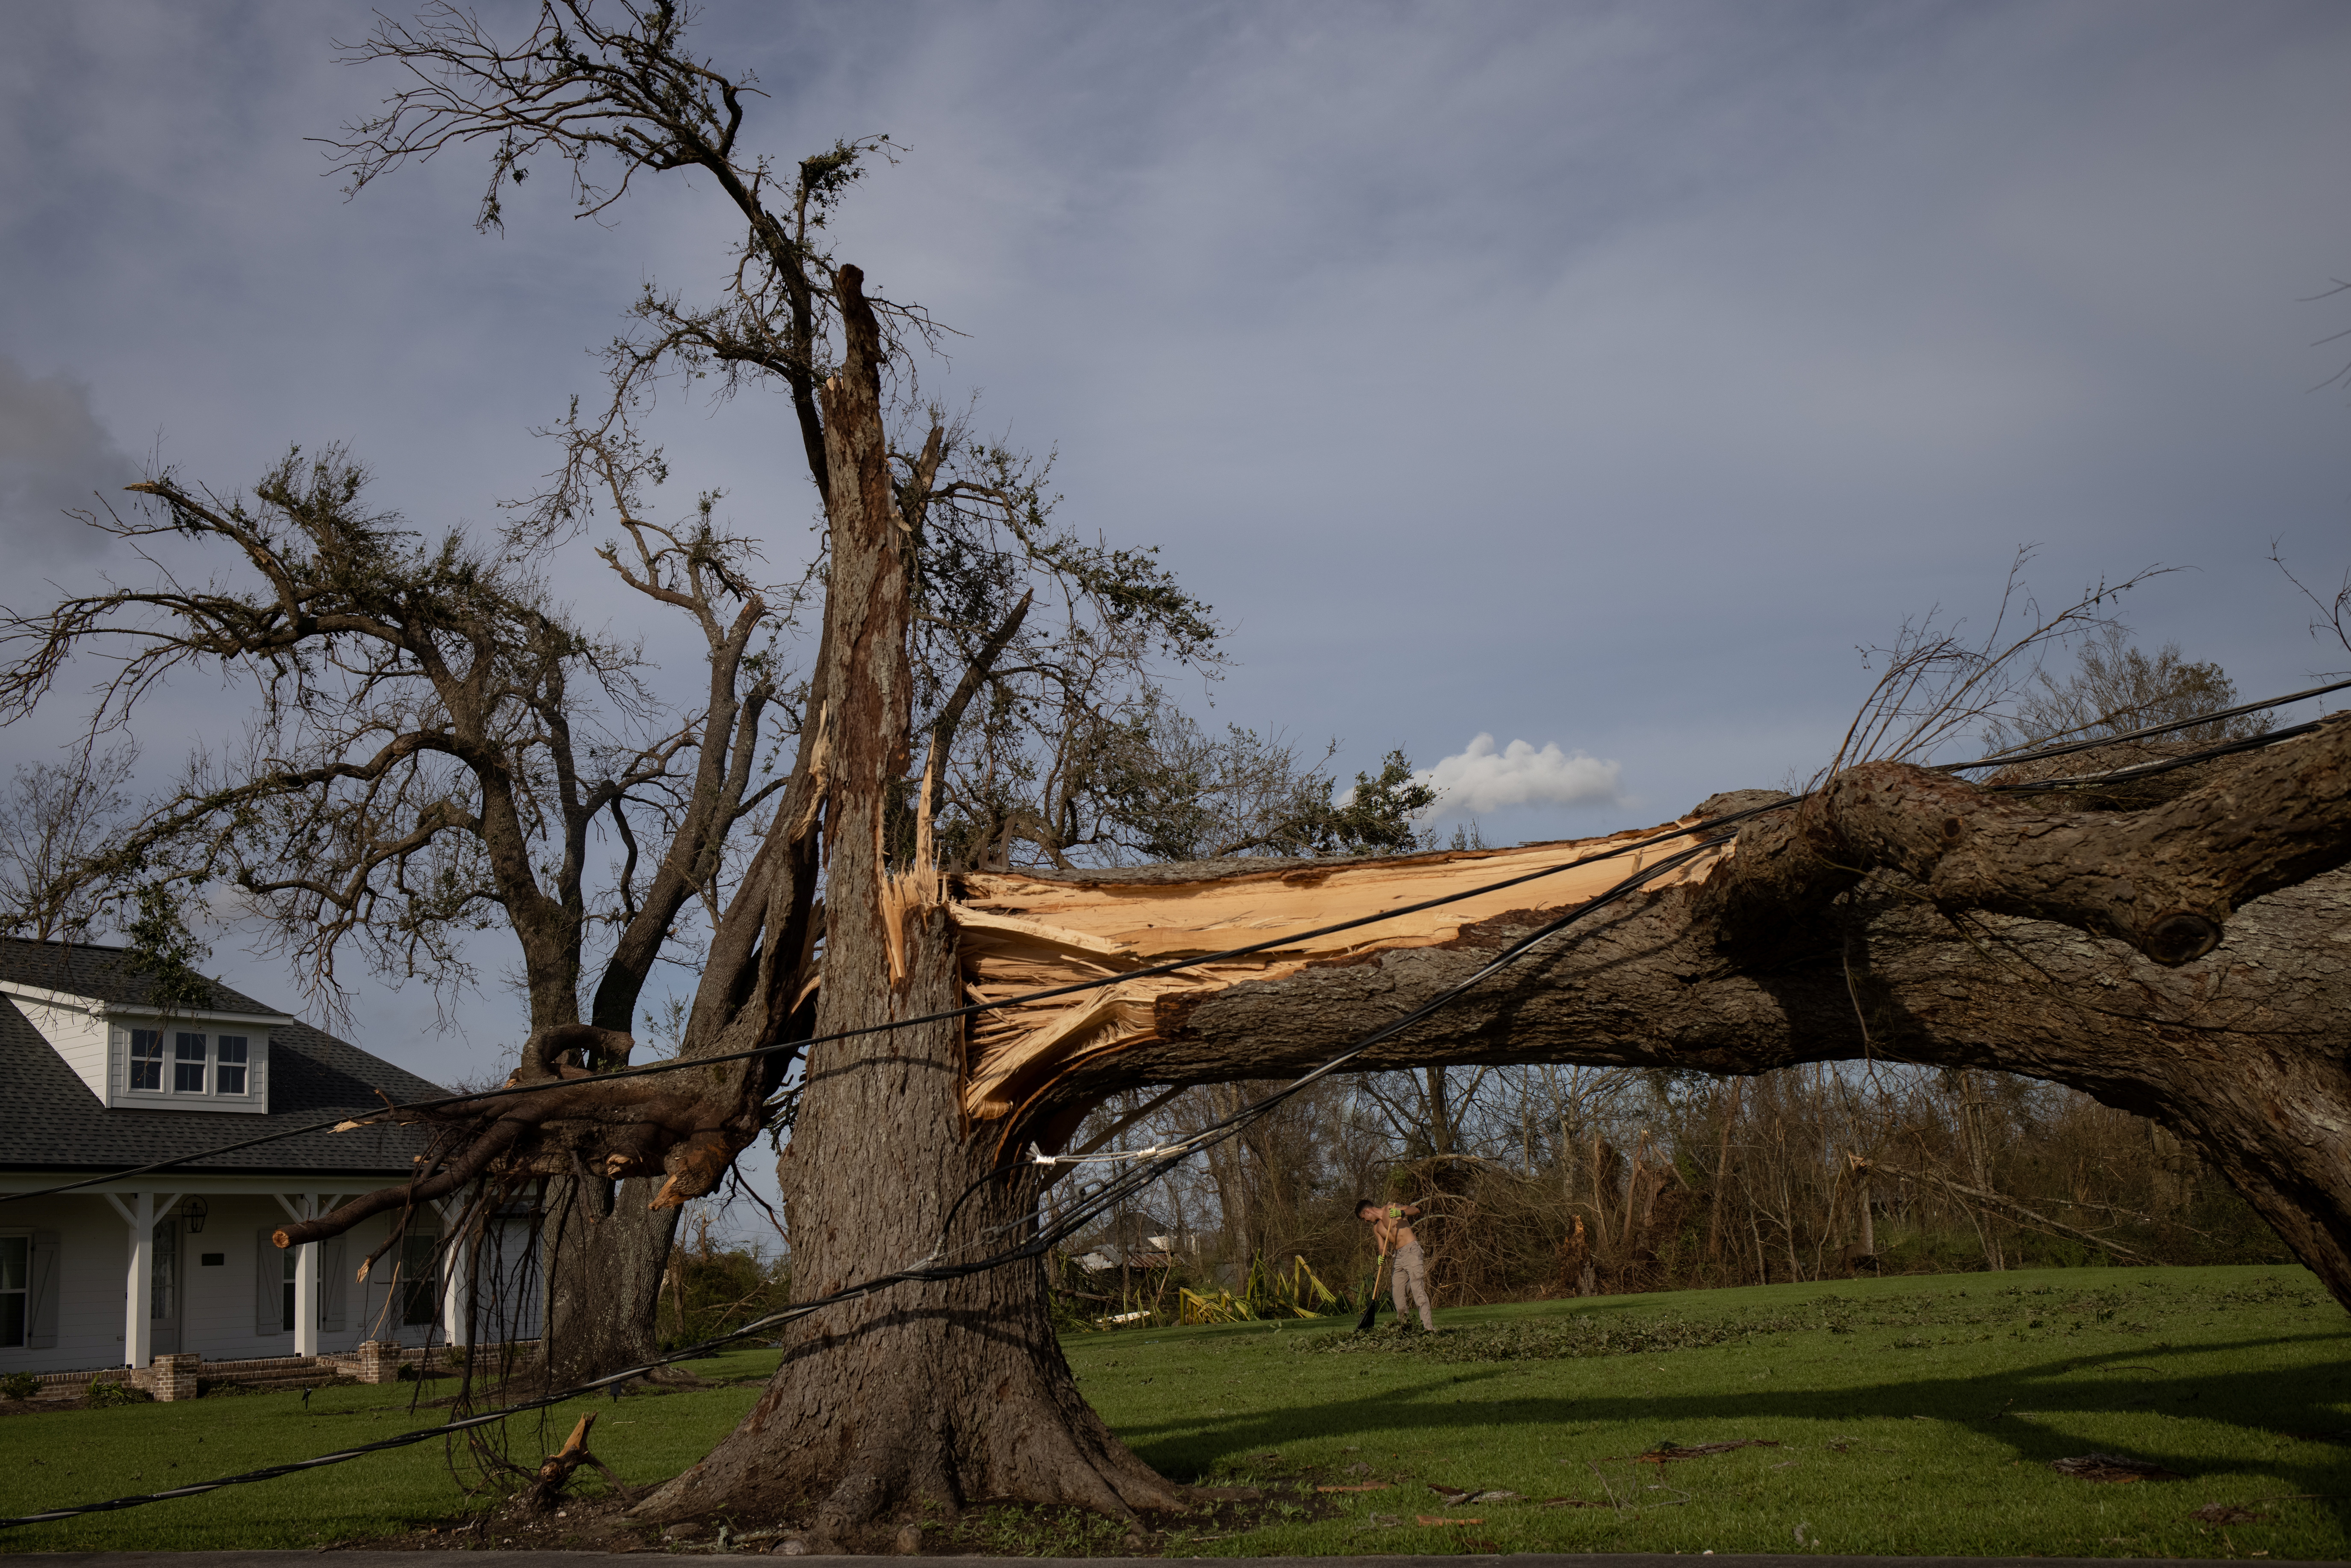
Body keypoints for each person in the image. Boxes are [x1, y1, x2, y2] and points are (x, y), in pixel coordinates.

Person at [1357, 1197, 1434, 1330]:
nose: (1365, 1221)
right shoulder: (1377, 1228)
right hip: (1397, 1257)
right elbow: (1382, 1248)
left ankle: (1429, 1329)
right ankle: (1405, 1329)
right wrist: (1381, 1256)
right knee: (1398, 1295)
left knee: (1418, 1292)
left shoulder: (1390, 1208)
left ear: (1368, 1212)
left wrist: (1401, 1213)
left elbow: (1415, 1210)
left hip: (1412, 1251)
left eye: (1364, 1218)